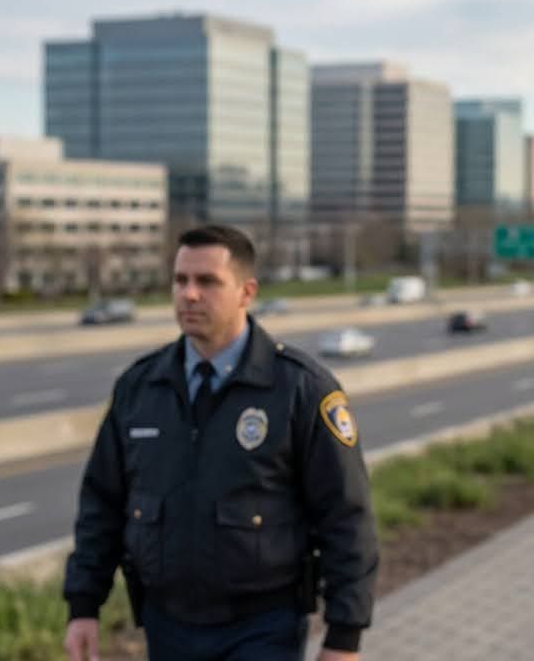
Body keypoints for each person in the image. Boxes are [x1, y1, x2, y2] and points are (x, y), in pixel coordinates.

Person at [63, 224, 378, 661]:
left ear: (247, 292)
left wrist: (345, 637)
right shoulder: (139, 388)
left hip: (262, 627)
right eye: (180, 281)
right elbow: (102, 504)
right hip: (166, 625)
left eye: (207, 282)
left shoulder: (299, 389)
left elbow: (346, 515)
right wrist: (83, 606)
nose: (189, 295)